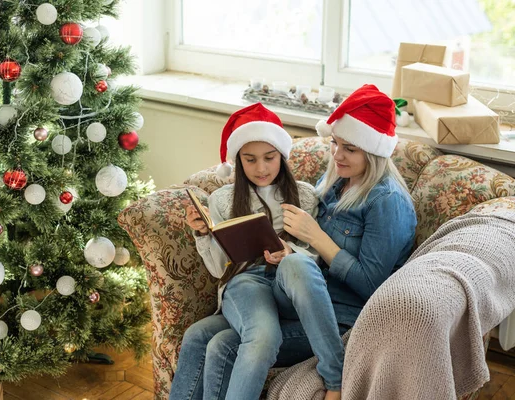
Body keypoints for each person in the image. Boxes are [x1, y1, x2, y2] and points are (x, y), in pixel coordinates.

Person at [171, 84, 418, 400]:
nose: (337, 155)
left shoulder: (387, 202)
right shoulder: (333, 183)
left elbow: (373, 286)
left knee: (224, 342)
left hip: (340, 318)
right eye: (335, 143)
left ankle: (335, 378)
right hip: (294, 300)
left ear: (374, 151)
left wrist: (314, 237)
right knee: (196, 335)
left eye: (350, 149)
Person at [169, 103, 320, 400]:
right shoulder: (224, 200)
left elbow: (315, 256)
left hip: (286, 289)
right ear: (238, 160)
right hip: (244, 284)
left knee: (200, 336)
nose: (261, 168)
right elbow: (218, 270)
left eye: (269, 158)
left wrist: (290, 253)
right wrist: (203, 235)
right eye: (250, 160)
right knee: (260, 335)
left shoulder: (305, 195)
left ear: (283, 156)